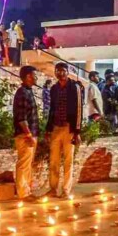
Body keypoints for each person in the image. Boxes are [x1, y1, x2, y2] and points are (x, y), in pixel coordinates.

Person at [45, 62, 85, 198]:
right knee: (54, 160)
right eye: (57, 71)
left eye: (63, 71)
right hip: (56, 127)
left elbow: (79, 109)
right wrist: (48, 128)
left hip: (69, 128)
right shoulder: (54, 89)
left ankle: (66, 189)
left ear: (68, 72)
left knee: (68, 160)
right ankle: (53, 188)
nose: (60, 73)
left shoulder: (74, 87)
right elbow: (52, 109)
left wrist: (77, 131)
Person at [12, 66, 40, 200]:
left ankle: (27, 191)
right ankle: (23, 193)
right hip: (25, 135)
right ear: (28, 76)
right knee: (23, 163)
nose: (36, 77)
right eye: (35, 75)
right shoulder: (23, 93)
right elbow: (22, 118)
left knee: (27, 163)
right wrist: (28, 135)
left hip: (30, 134)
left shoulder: (28, 91)